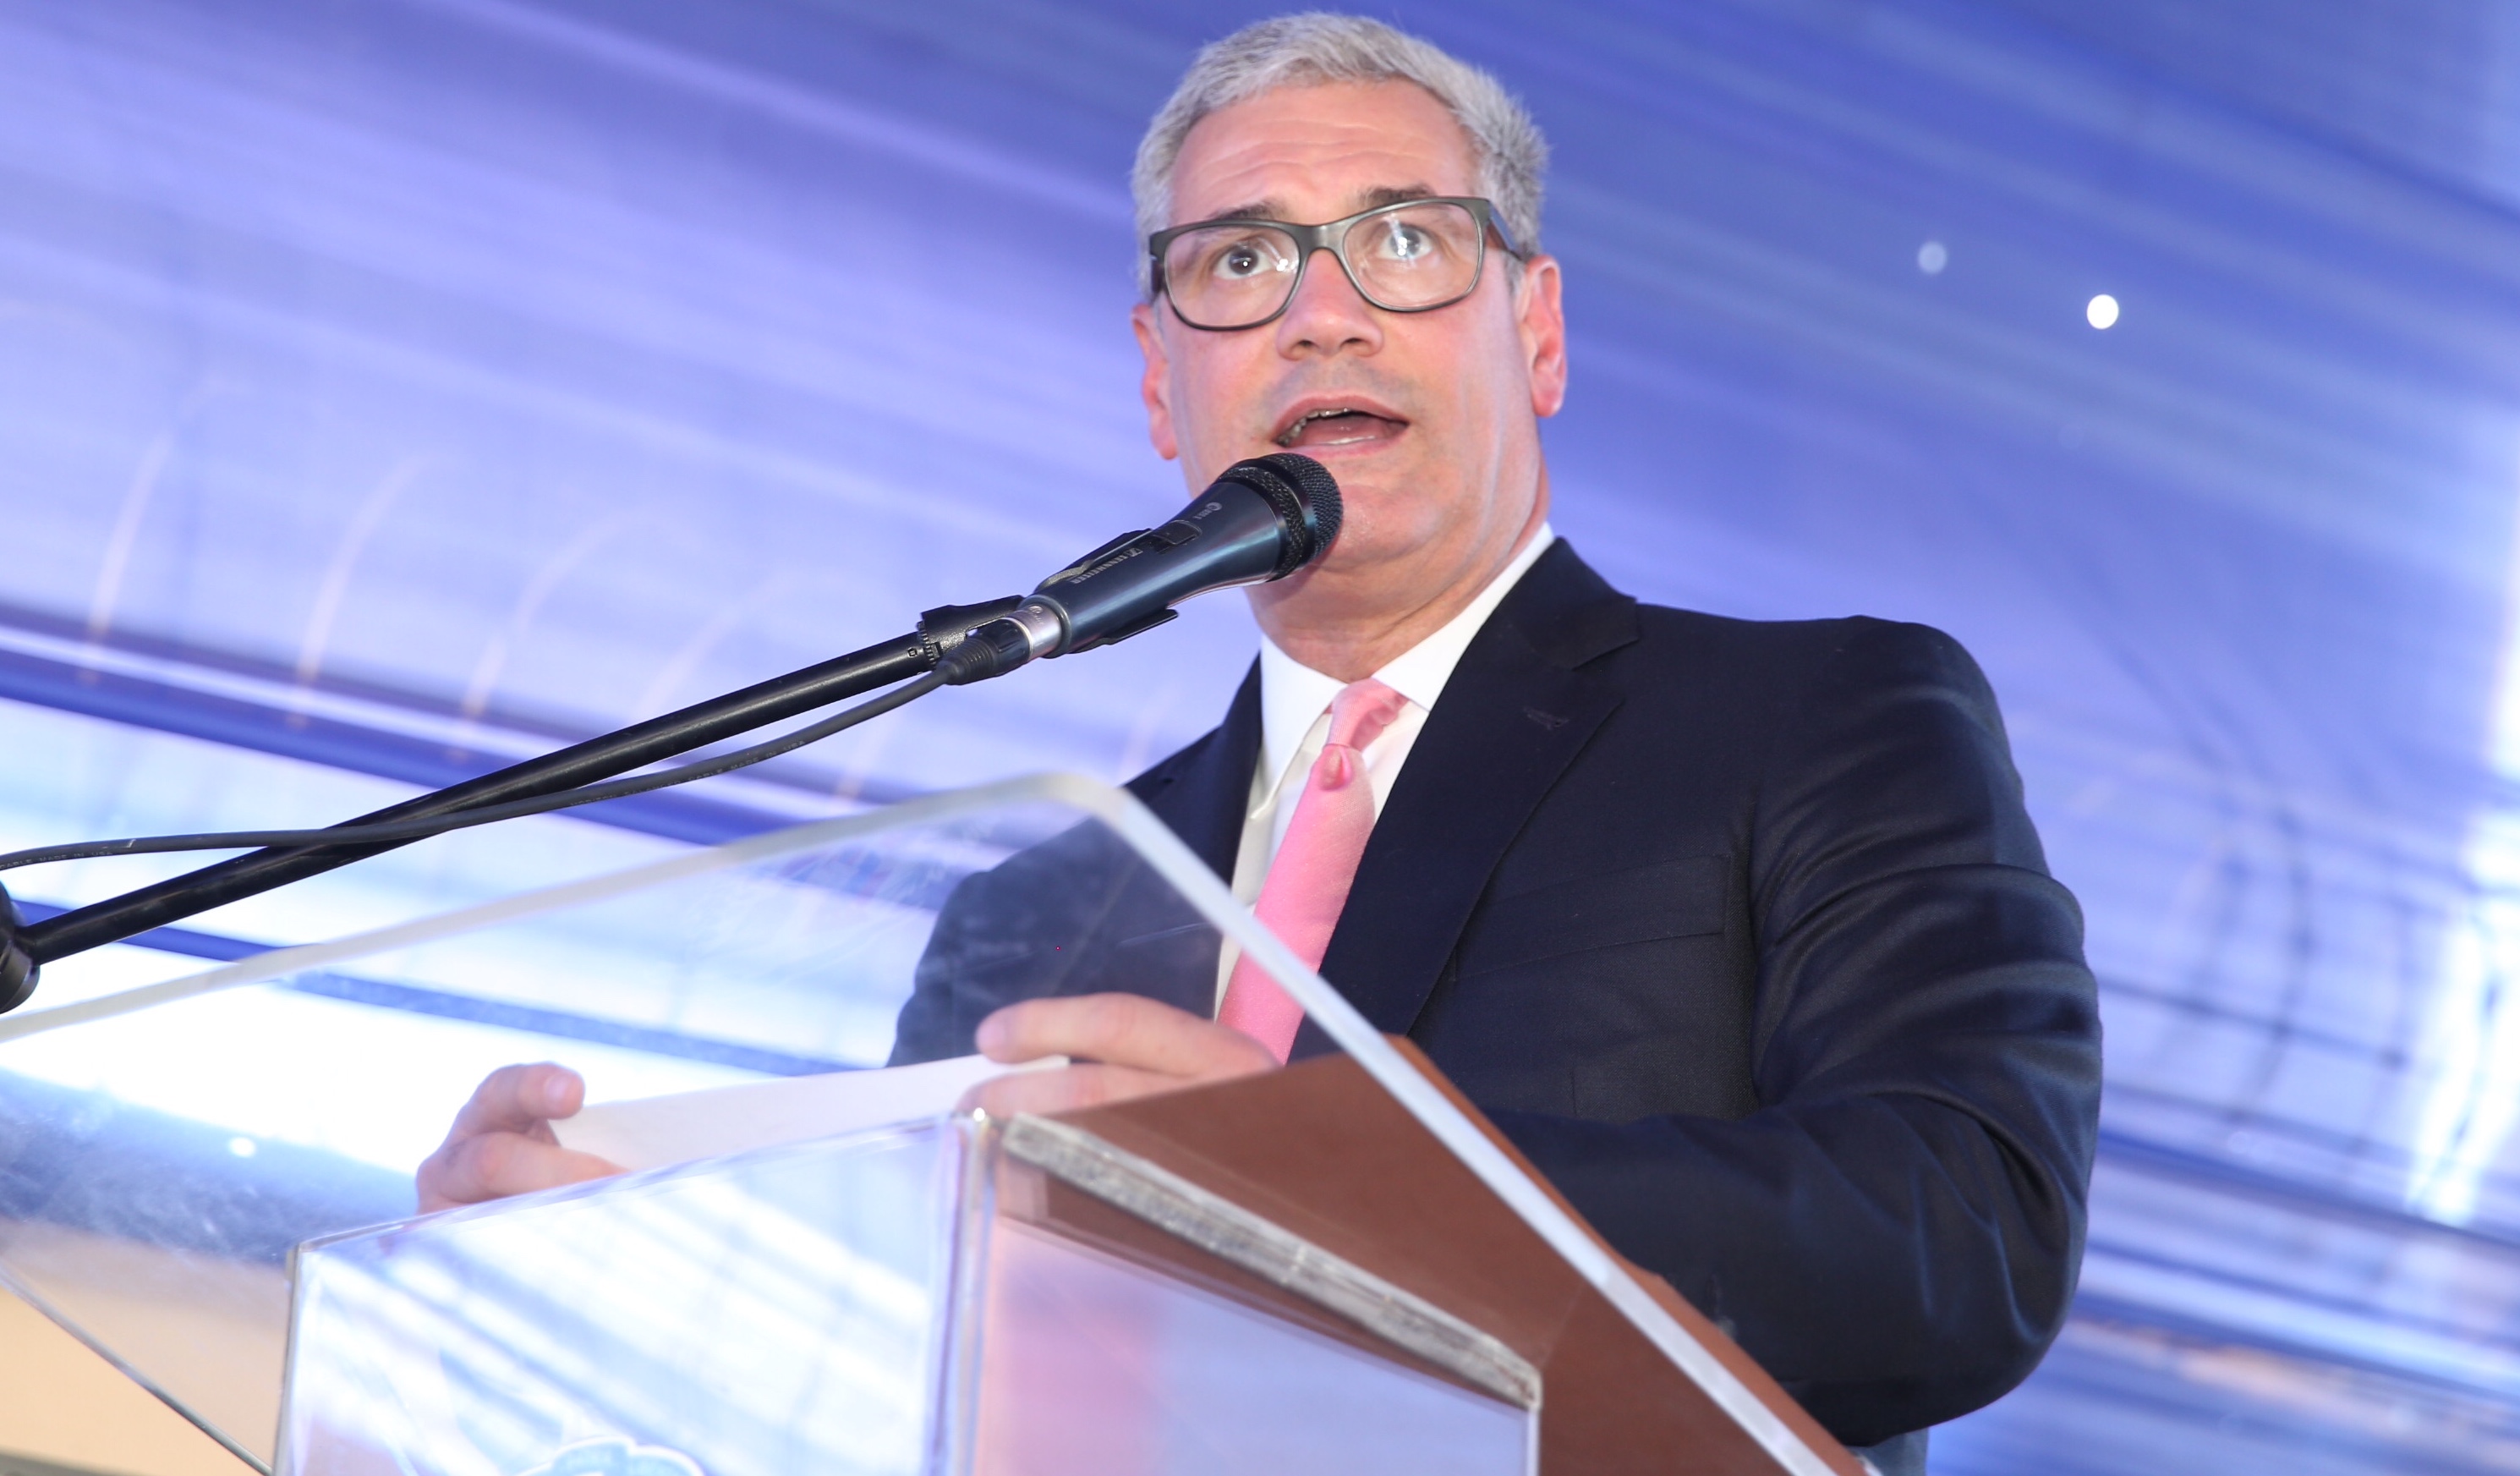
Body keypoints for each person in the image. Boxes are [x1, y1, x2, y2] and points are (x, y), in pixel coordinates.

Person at [417, 16, 2101, 1472]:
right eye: (1239, 262)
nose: (1320, 316)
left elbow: (1960, 1234)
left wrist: (1350, 1185)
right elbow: (921, 1383)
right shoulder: (1037, 916)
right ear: (1162, 386)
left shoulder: (1816, 716)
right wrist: (620, 1268)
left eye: (1404, 241)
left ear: (1536, 332)